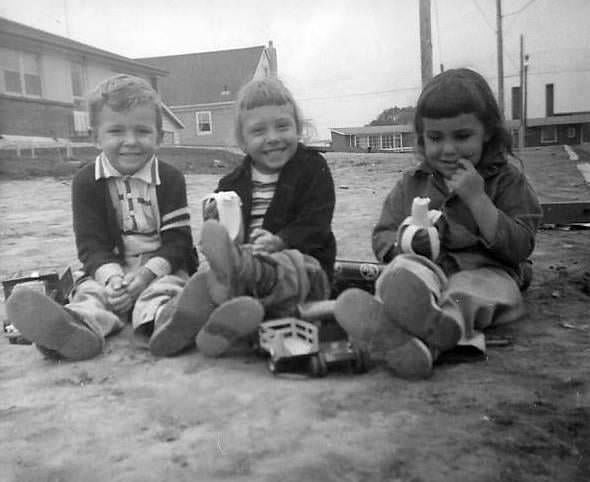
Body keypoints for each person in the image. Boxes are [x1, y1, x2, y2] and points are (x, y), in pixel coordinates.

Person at [335, 68, 543, 379]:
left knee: (468, 292)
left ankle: (428, 332)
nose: (447, 150)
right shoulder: (413, 183)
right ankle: (402, 328)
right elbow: (383, 234)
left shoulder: (507, 180)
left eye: (462, 136)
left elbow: (519, 246)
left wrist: (478, 200)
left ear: (487, 131)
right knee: (400, 274)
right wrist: (404, 244)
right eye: (435, 138)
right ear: (422, 137)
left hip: (487, 271)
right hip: (429, 272)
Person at [6, 74, 199, 360]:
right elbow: (90, 246)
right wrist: (114, 281)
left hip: (160, 268)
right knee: (91, 297)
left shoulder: (170, 179)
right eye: (116, 131)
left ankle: (166, 325)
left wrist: (145, 276)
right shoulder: (86, 181)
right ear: (95, 137)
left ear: (159, 137)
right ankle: (72, 331)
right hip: (109, 271)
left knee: (164, 292)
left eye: (143, 132)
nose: (131, 141)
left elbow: (178, 242)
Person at [185, 77, 336, 357]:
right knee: (210, 275)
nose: (273, 138)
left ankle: (232, 309)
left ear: (298, 128)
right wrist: (215, 219)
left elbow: (317, 224)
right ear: (242, 141)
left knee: (284, 268)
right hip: (246, 270)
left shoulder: (313, 168)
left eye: (282, 126)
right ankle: (184, 321)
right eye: (258, 131)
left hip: (304, 270)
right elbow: (224, 234)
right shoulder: (232, 182)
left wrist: (281, 241)